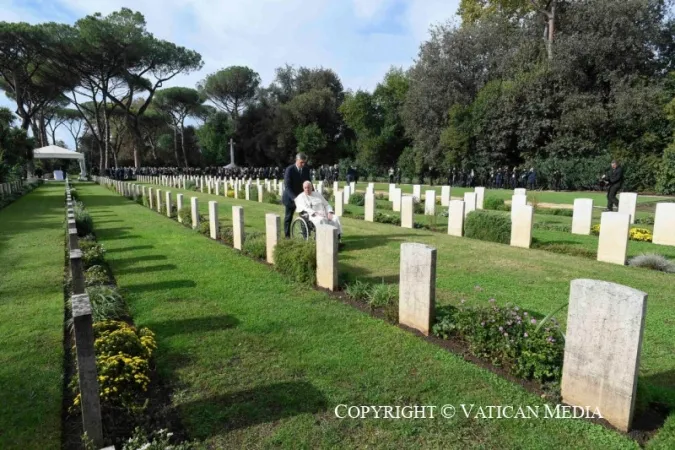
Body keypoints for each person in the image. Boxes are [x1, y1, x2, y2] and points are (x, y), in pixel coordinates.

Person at [282, 152, 312, 238]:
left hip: (302, 198)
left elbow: (309, 183)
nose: (303, 164)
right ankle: (287, 236)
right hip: (290, 198)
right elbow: (287, 186)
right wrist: (295, 198)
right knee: (288, 217)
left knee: (304, 217)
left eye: (304, 162)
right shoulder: (290, 169)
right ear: (297, 160)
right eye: (301, 162)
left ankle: (305, 236)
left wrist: (313, 194)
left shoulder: (306, 170)